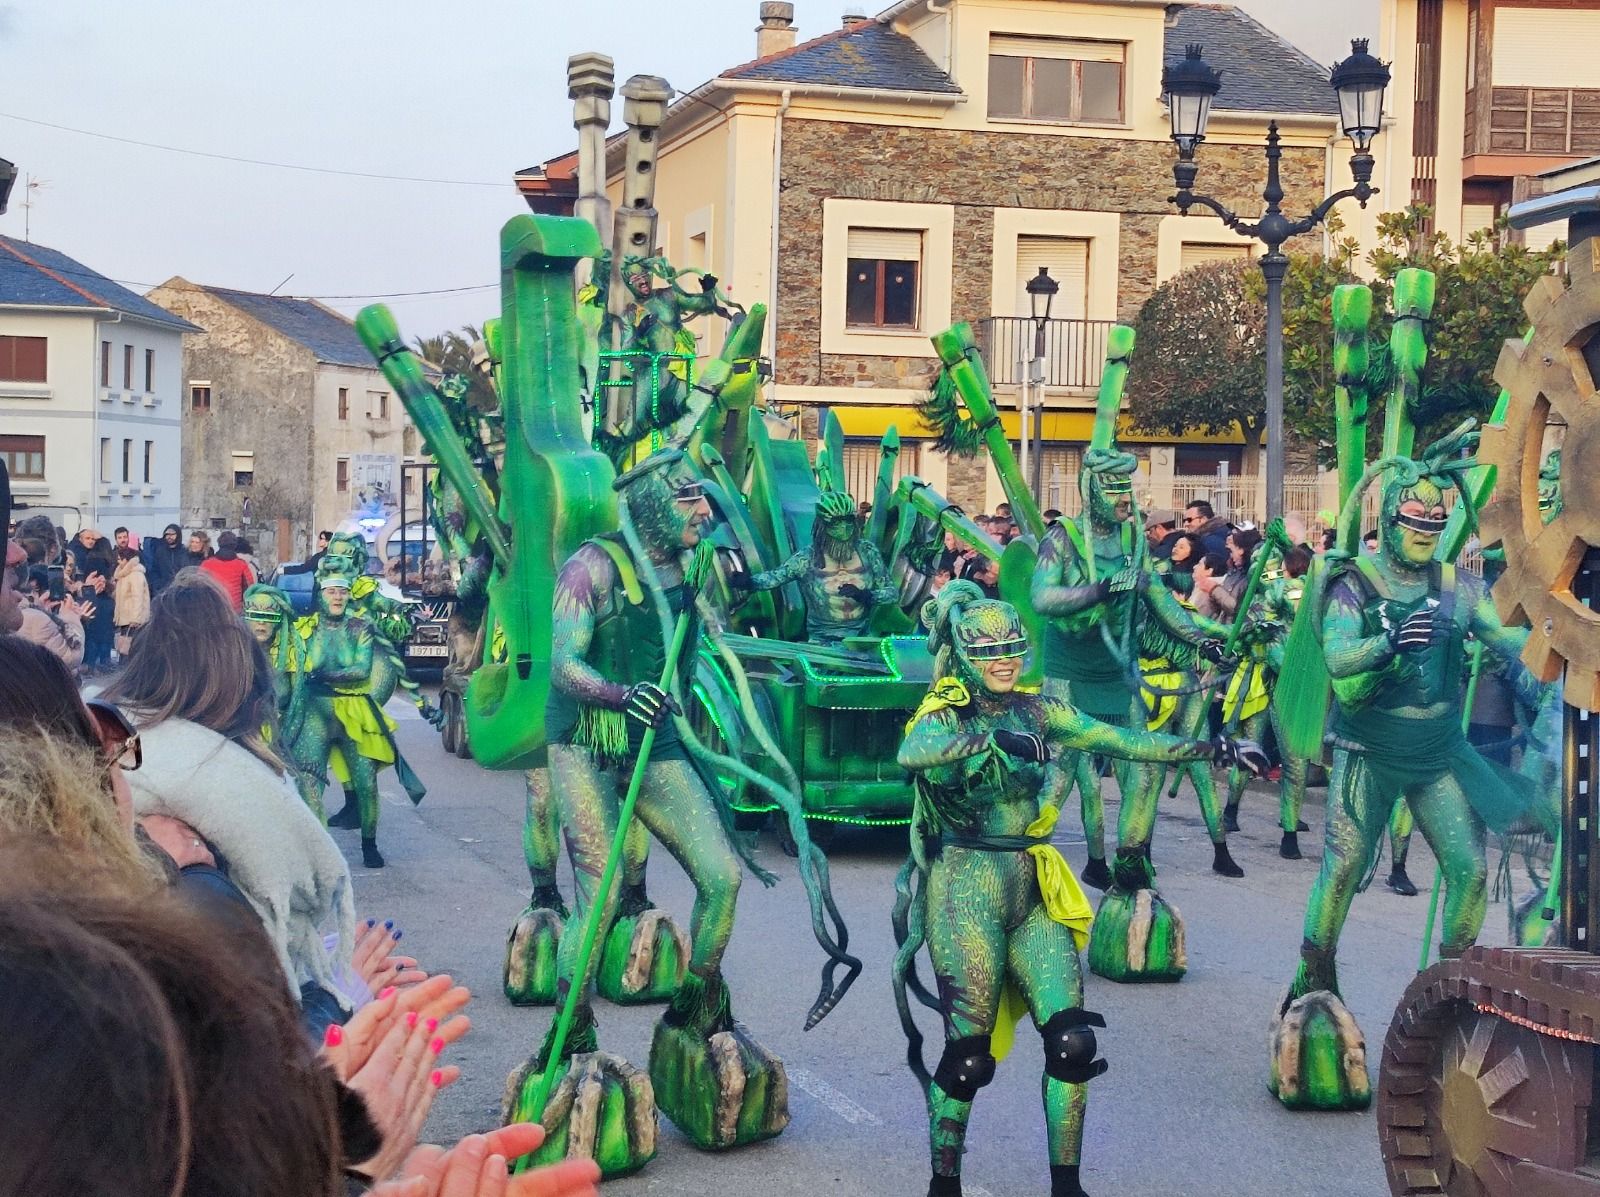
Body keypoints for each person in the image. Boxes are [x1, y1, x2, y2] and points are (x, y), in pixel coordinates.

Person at [893, 582, 1262, 1197]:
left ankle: (1068, 1186)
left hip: (1030, 887)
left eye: (1013, 646)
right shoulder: (945, 710)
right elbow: (914, 751)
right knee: (969, 1057)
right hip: (965, 889)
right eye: (989, 651)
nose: (1005, 659)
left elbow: (1120, 739)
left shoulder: (1038, 710)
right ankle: (944, 1183)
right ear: (961, 653)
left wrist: (1214, 746)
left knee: (1071, 1042)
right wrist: (990, 738)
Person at [99, 575, 362, 1014]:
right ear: (243, 687)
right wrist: (338, 998)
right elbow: (262, 1046)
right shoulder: (246, 808)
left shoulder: (95, 742)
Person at [729, 489, 898, 643]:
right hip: (821, 640)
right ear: (823, 524)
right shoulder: (807, 559)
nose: (844, 527)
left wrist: (866, 596)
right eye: (836, 522)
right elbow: (777, 576)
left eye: (847, 520)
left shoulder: (868, 552)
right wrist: (750, 582)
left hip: (862, 640)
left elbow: (892, 593)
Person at [16, 566, 86, 669]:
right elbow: (70, 658)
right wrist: (71, 618)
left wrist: (41, 609)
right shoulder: (38, 619)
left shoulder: (18, 610)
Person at [67, 527, 116, 671]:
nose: (91, 541)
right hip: (88, 598)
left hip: (95, 598)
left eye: (93, 539)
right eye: (88, 538)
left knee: (96, 632)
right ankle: (93, 662)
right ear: (80, 539)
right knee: (94, 632)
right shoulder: (80, 555)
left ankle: (93, 663)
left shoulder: (93, 558)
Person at [113, 535, 152, 654]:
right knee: (124, 647)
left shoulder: (135, 575)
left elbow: (137, 597)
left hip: (133, 619)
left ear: (126, 560)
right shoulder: (124, 575)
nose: (118, 562)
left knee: (130, 648)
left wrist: (135, 618)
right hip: (125, 618)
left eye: (120, 559)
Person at [199, 530, 256, 611]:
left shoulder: (206, 564)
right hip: (235, 610)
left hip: (212, 609)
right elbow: (249, 589)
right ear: (234, 546)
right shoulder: (242, 565)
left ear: (219, 544)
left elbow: (198, 586)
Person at [144, 523, 190, 595]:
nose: (169, 537)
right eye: (167, 534)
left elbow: (188, 570)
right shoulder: (160, 551)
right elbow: (154, 570)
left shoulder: (185, 551)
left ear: (178, 535)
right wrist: (158, 585)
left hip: (181, 591)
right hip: (163, 591)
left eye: (172, 534)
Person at [1190, 552, 1236, 621]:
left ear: (1209, 571)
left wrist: (1180, 603)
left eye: (1199, 564)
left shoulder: (1206, 591)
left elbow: (1195, 616)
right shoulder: (1204, 587)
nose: (1194, 567)